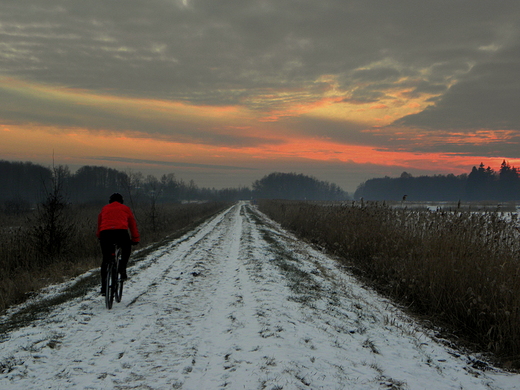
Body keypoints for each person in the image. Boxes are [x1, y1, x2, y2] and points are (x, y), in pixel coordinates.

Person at [97, 193, 140, 296]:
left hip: (105, 234)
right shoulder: (125, 208)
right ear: (122, 201)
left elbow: (100, 223)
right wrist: (135, 239)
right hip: (121, 233)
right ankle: (122, 266)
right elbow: (132, 224)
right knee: (126, 248)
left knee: (106, 259)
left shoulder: (104, 209)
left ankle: (104, 287)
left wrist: (99, 236)